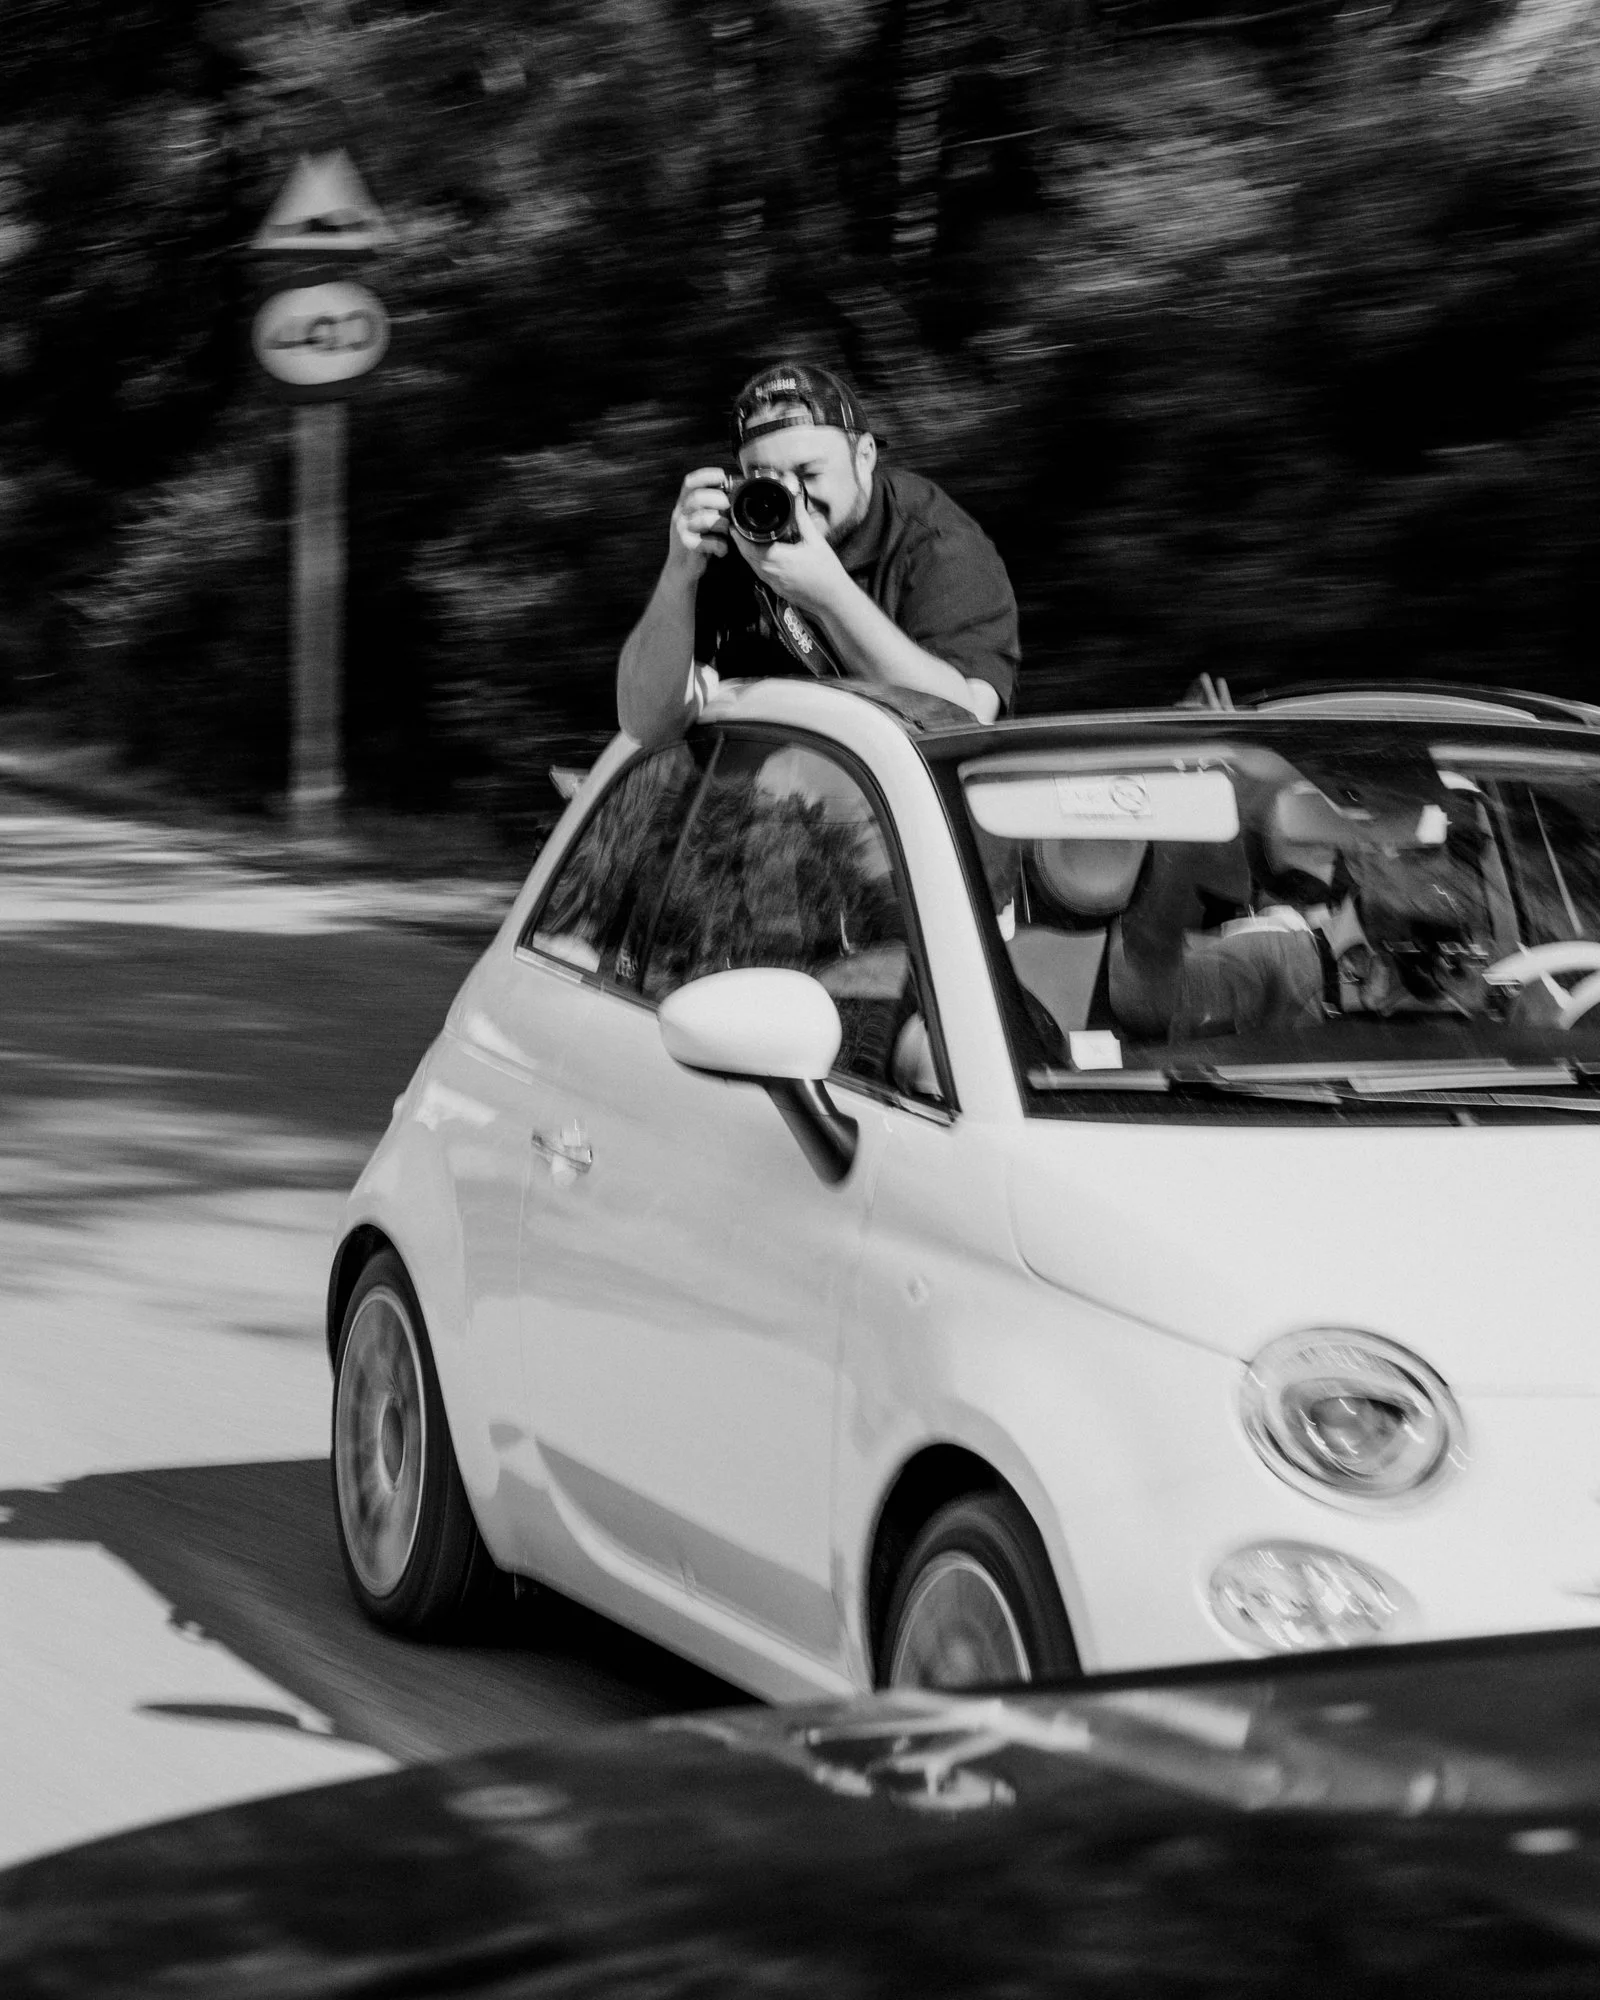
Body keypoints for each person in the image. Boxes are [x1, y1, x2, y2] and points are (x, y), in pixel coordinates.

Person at [616, 362, 1020, 748]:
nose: (791, 495)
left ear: (864, 457)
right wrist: (677, 577)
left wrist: (830, 596)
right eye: (764, 478)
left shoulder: (935, 542)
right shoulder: (732, 538)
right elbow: (648, 725)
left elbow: (965, 721)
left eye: (809, 473)